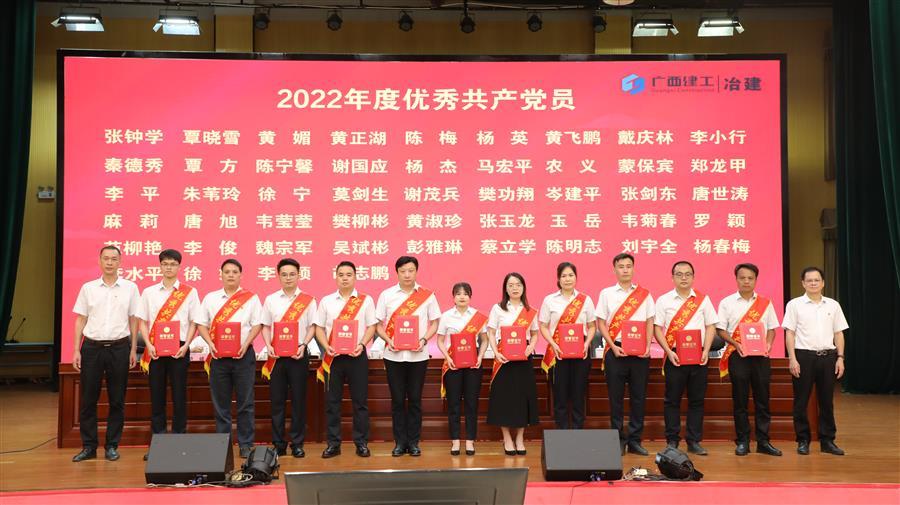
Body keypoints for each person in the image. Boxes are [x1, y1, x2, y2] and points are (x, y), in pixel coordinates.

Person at [71, 245, 140, 462]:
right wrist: (76, 349)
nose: (110, 262)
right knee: (88, 399)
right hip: (92, 348)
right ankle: (89, 446)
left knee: (117, 399)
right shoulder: (88, 288)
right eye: (106, 258)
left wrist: (132, 349)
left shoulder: (130, 288)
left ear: (120, 262)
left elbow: (134, 320)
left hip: (119, 348)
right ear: (99, 261)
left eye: (114, 259)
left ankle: (111, 446)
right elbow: (80, 319)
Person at [136, 249, 201, 460]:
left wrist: (187, 345)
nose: (169, 267)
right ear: (160, 266)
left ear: (179, 266)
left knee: (179, 395)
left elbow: (194, 322)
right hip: (155, 348)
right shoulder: (149, 292)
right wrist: (148, 345)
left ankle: (179, 441)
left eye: (173, 264)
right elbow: (142, 321)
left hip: (179, 348)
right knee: (157, 397)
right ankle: (158, 443)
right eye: (165, 264)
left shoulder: (189, 292)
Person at [195, 258, 263, 459]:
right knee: (221, 404)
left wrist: (246, 343)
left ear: (240, 275)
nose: (231, 275)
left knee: (245, 402)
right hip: (218, 357)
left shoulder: (251, 298)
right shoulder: (211, 298)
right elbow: (201, 324)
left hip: (244, 355)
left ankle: (245, 444)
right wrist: (211, 344)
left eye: (235, 272)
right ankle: (223, 445)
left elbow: (257, 324)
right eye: (227, 272)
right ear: (221, 274)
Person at [375, 256, 441, 457]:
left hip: (418, 356)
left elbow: (435, 323)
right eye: (403, 271)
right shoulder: (386, 295)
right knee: (397, 401)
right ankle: (399, 442)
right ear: (397, 272)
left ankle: (413, 442)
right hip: (393, 356)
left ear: (416, 272)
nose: (407, 275)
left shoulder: (427, 296)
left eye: (411, 270)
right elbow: (378, 325)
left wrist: (424, 339)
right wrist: (389, 339)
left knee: (414, 400)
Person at [716, 263, 782, 457]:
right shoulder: (727, 303)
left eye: (750, 278)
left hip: (761, 356)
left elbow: (771, 329)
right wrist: (736, 344)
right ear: (736, 279)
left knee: (763, 400)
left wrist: (768, 343)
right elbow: (721, 330)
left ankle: (763, 441)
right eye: (742, 278)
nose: (746, 281)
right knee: (740, 400)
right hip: (738, 356)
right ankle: (742, 441)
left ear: (755, 280)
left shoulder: (765, 303)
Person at [654, 260, 718, 455]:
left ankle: (694, 440)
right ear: (672, 277)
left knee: (696, 400)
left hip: (699, 355)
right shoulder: (664, 300)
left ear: (693, 277)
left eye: (688, 274)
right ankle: (672, 440)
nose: (684, 278)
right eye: (679, 274)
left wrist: (706, 350)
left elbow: (711, 326)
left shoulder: (703, 300)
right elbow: (657, 328)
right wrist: (668, 351)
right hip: (674, 355)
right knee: (672, 400)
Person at [314, 260, 377, 458]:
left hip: (357, 356)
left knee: (360, 402)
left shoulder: (366, 300)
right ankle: (333, 444)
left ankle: (361, 443)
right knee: (332, 402)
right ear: (336, 277)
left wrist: (362, 344)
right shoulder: (326, 301)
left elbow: (372, 327)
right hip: (333, 358)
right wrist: (326, 346)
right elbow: (319, 328)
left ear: (355, 277)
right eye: (341, 275)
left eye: (349, 275)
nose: (345, 278)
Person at [783, 266, 848, 456]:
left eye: (816, 280)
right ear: (803, 283)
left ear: (823, 283)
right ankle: (803, 440)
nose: (813, 283)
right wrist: (792, 359)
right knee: (801, 401)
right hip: (803, 357)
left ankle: (827, 441)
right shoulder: (794, 305)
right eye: (809, 280)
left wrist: (840, 358)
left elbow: (838, 333)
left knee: (826, 401)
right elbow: (790, 333)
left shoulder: (833, 305)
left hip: (828, 357)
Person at [596, 253, 654, 456]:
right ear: (615, 269)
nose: (625, 270)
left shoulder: (644, 294)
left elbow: (649, 321)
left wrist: (648, 345)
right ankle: (618, 440)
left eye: (629, 266)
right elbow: (600, 322)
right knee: (616, 399)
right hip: (616, 350)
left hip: (640, 352)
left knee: (638, 398)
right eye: (621, 266)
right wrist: (612, 346)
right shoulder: (606, 294)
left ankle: (635, 440)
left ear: (633, 268)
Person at [261, 258, 317, 458]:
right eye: (284, 274)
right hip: (276, 357)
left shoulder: (308, 300)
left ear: (299, 275)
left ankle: (297, 443)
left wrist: (304, 345)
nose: (288, 278)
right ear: (278, 276)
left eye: (292, 274)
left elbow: (312, 327)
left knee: (298, 401)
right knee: (277, 401)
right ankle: (278, 443)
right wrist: (268, 346)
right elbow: (265, 326)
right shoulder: (271, 300)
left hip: (298, 355)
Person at [486, 272, 539, 456]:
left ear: (523, 287)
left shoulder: (530, 310)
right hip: (503, 358)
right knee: (504, 398)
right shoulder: (497, 309)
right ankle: (507, 438)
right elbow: (491, 332)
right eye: (511, 285)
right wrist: (496, 352)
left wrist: (530, 347)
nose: (515, 288)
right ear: (505, 289)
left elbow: (534, 334)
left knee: (523, 397)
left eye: (518, 284)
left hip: (524, 357)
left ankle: (520, 438)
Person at [539, 262, 596, 430]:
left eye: (571, 275)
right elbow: (543, 326)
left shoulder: (585, 300)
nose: (567, 279)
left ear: (576, 277)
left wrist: (587, 344)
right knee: (560, 395)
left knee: (579, 394)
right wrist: (553, 344)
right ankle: (562, 432)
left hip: (581, 351)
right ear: (558, 279)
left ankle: (578, 431)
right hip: (558, 351)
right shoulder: (549, 300)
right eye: (563, 276)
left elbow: (592, 326)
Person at [436, 282, 488, 456]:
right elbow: (440, 341)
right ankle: (456, 440)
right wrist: (448, 357)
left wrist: (480, 357)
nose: (462, 297)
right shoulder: (446, 316)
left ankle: (470, 441)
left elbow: (485, 340)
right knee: (454, 404)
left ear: (470, 296)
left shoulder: (478, 316)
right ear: (453, 297)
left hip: (473, 365)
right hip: (453, 365)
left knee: (472, 403)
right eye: (458, 294)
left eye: (465, 293)